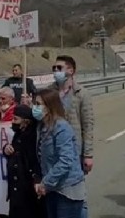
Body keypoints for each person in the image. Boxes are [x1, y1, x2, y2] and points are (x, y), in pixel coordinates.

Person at [46, 55, 94, 218]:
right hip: (53, 150)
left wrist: (88, 154)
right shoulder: (49, 92)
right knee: (58, 191)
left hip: (75, 151)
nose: (55, 71)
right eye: (54, 68)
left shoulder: (81, 93)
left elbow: (88, 125)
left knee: (78, 193)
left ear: (71, 70)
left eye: (59, 68)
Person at [33, 88, 85, 218]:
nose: (35, 107)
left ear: (49, 106)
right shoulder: (42, 127)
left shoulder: (61, 127)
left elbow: (66, 160)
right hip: (52, 189)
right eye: (34, 103)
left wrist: (46, 182)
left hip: (67, 189)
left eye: (38, 104)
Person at [2, 105, 46, 218]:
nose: (12, 121)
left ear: (26, 122)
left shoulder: (33, 137)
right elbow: (14, 150)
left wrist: (36, 178)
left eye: (15, 119)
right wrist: (6, 149)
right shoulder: (19, 134)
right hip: (17, 190)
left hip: (27, 189)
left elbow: (34, 159)